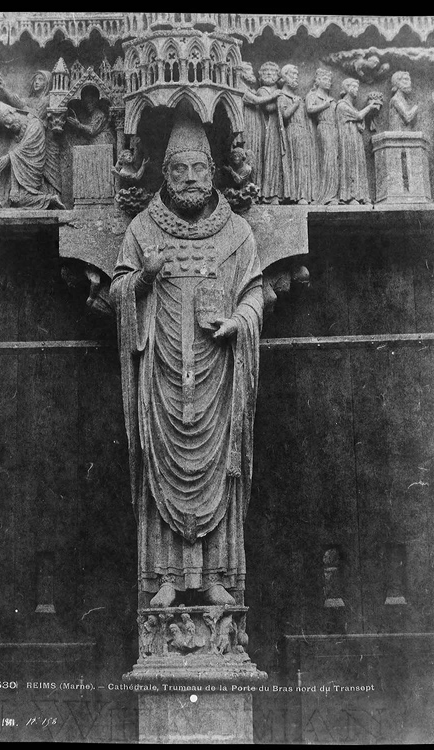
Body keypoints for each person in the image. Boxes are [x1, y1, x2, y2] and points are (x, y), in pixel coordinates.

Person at [110, 108, 263, 608]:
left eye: (200, 169)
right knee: (163, 464)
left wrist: (240, 322)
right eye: (180, 170)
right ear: (164, 174)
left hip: (219, 369)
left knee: (221, 468)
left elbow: (255, 293)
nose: (191, 179)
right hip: (162, 371)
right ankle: (165, 578)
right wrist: (144, 277)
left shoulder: (236, 232)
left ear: (214, 172)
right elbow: (119, 292)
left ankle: (217, 575)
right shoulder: (141, 229)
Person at [0, 69, 62, 196]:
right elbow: (18, 102)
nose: (36, 82)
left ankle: (49, 196)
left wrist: (23, 110)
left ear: (47, 83)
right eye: (35, 79)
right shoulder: (31, 100)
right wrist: (4, 89)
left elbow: (37, 114)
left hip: (44, 139)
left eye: (40, 80)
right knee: (16, 153)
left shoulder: (49, 99)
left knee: (48, 172)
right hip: (28, 136)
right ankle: (20, 192)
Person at [0, 102, 65, 210]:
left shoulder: (34, 124)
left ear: (13, 112)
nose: (8, 126)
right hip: (22, 179)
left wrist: (9, 157)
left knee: (19, 199)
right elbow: (15, 156)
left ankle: (49, 200)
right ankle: (50, 200)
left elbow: (28, 146)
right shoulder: (17, 136)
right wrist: (14, 188)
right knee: (12, 199)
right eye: (5, 126)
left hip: (34, 173)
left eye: (7, 121)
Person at [336, 77, 381, 205]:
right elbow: (358, 116)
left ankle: (361, 196)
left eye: (357, 87)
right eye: (353, 87)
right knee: (350, 165)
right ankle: (350, 197)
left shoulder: (352, 107)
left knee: (358, 165)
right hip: (347, 140)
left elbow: (360, 124)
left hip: (356, 139)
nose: (356, 90)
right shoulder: (342, 105)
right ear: (346, 88)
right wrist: (369, 107)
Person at [277, 64, 317, 205]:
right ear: (284, 76)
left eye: (296, 74)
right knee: (297, 163)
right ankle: (297, 195)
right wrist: (295, 104)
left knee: (304, 163)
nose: (296, 77)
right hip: (293, 131)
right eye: (292, 74)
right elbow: (285, 115)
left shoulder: (296, 97)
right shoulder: (282, 96)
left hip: (302, 132)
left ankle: (304, 194)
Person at [306, 68, 339, 205]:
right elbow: (309, 109)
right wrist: (325, 105)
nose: (328, 83)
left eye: (330, 80)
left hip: (333, 128)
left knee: (333, 160)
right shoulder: (313, 95)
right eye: (325, 79)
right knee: (327, 158)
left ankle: (332, 193)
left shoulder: (332, 99)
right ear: (317, 81)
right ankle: (325, 195)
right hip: (323, 127)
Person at [256, 61, 284, 204]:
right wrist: (279, 98)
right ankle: (270, 194)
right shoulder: (263, 90)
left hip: (279, 128)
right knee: (271, 158)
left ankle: (279, 193)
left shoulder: (278, 91)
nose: (268, 74)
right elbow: (268, 108)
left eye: (272, 72)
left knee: (279, 160)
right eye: (265, 72)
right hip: (271, 127)